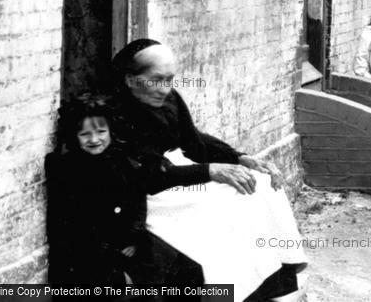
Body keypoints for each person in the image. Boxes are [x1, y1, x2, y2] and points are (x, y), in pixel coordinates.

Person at [111, 39, 307, 302]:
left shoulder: (169, 99)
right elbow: (149, 176)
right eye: (156, 80)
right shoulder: (115, 113)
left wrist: (240, 158)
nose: (165, 88)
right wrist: (210, 172)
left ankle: (271, 284)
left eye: (170, 79)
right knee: (228, 202)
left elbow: (194, 141)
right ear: (130, 79)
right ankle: (229, 293)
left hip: (182, 175)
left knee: (259, 183)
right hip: (151, 192)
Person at [45, 93, 154, 287]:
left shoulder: (122, 162)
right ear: (74, 136)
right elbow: (76, 228)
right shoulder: (68, 169)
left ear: (111, 131)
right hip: (86, 257)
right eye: (85, 134)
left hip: (122, 246)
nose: (94, 139)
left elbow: (138, 199)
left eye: (101, 131)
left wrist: (133, 237)